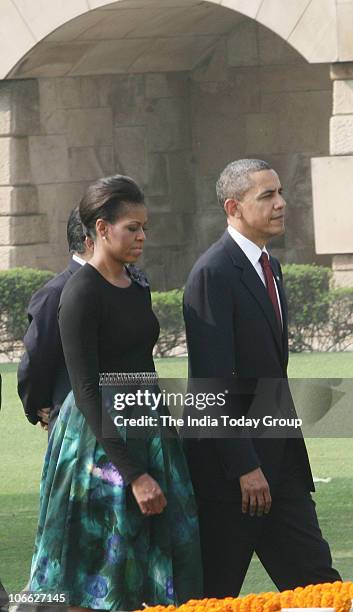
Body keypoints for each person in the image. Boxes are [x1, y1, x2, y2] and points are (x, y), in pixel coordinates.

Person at [29, 175, 202, 611]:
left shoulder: (136, 283)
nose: (142, 236)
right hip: (97, 447)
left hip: (147, 422)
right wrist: (135, 474)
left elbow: (141, 364)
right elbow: (86, 390)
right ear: (101, 229)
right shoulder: (81, 291)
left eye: (145, 227)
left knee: (150, 567)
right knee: (95, 572)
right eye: (132, 228)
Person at [183, 159, 341, 597]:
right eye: (267, 196)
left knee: (320, 590)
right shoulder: (212, 273)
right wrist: (245, 467)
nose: (281, 204)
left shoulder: (270, 267)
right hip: (231, 479)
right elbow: (211, 384)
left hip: (281, 467)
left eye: (280, 193)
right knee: (209, 599)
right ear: (233, 207)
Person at [17, 207, 93, 435]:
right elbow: (37, 358)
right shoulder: (54, 293)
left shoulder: (130, 285)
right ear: (90, 239)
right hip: (73, 423)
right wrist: (40, 404)